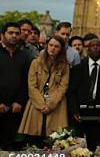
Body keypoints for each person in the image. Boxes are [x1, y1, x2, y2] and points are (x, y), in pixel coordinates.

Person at [18, 36, 70, 144]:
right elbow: (32, 86)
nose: (52, 48)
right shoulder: (36, 63)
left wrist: (50, 104)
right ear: (47, 46)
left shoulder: (64, 65)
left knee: (54, 139)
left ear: (61, 49)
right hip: (36, 103)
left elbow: (63, 87)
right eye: (50, 45)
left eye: (56, 46)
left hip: (56, 105)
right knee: (34, 138)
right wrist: (42, 105)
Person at [68, 38, 100, 150]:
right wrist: (74, 111)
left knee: (97, 146)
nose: (96, 47)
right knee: (79, 148)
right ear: (87, 50)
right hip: (81, 113)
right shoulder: (78, 68)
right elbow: (72, 92)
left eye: (98, 45)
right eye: (92, 45)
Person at [0, 22, 30, 150]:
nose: (14, 36)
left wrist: (19, 101)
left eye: (17, 33)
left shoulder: (23, 56)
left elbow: (25, 82)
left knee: (9, 145)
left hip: (15, 108)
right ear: (2, 35)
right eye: (10, 33)